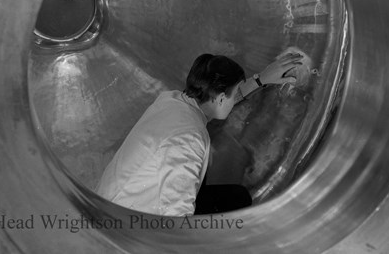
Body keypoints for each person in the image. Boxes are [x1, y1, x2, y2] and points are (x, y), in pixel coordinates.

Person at [96, 51, 304, 216]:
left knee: (234, 196)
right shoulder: (188, 141)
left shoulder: (172, 100)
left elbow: (217, 103)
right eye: (232, 95)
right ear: (221, 98)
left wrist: (261, 79)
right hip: (131, 225)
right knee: (237, 201)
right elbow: (178, 219)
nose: (232, 102)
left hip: (113, 200)